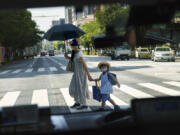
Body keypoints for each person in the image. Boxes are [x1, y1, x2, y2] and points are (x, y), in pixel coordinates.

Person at [64, 39, 93, 110]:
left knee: (81, 88)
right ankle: (77, 102)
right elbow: (74, 60)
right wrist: (67, 57)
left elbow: (85, 65)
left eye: (73, 45)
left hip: (81, 73)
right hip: (76, 73)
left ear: (76, 46)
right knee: (73, 88)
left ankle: (84, 104)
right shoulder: (74, 53)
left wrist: (89, 75)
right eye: (71, 46)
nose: (72, 47)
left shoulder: (80, 53)